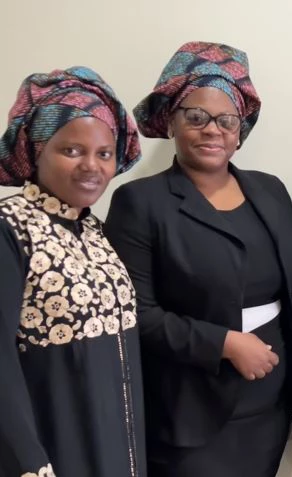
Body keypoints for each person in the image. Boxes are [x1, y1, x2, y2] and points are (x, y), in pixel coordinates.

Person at [104, 41, 292, 477]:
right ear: (172, 122)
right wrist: (226, 344)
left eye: (226, 120)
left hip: (269, 402)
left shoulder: (269, 190)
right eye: (196, 117)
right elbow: (134, 314)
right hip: (188, 407)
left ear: (240, 130)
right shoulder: (140, 201)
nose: (212, 129)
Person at [0, 66, 145, 477]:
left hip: (119, 446)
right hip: (54, 451)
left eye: (104, 153)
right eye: (71, 151)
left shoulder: (94, 230)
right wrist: (28, 462)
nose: (92, 166)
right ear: (35, 150)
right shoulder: (9, 227)